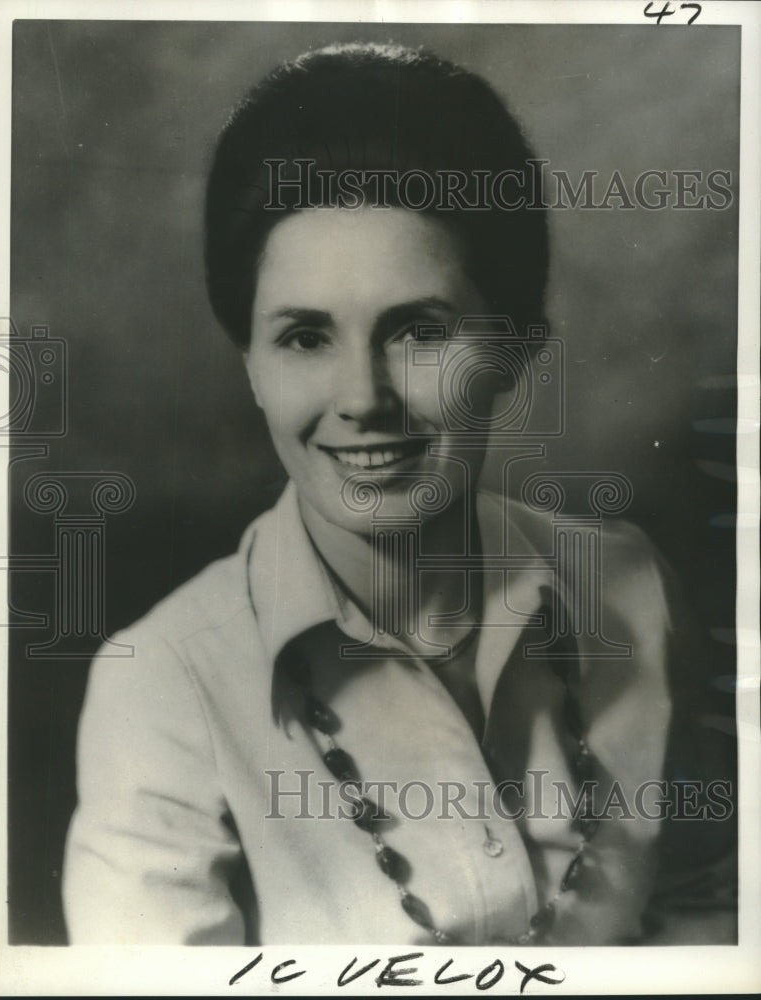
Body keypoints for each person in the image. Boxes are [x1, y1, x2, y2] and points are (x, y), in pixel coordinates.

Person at [62, 41, 736, 946]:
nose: (363, 400)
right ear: (252, 367)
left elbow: (712, 915)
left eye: (418, 332)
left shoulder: (634, 589)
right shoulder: (161, 690)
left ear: (515, 350)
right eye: (305, 337)